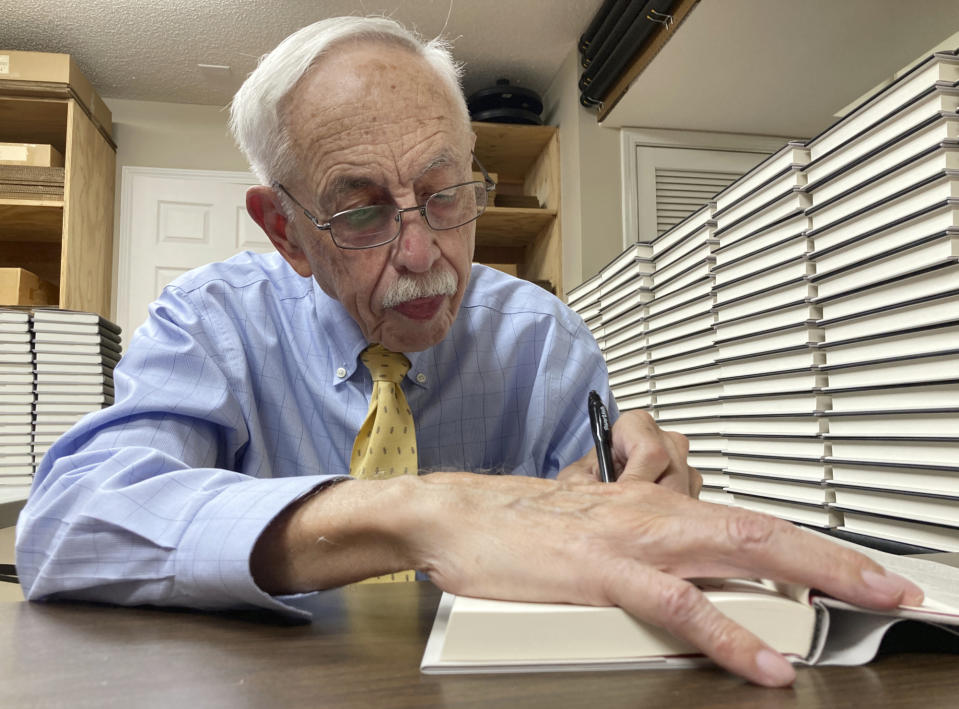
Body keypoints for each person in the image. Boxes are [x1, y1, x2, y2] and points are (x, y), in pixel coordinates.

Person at [16, 16, 921, 688]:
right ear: (286, 232)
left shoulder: (542, 340)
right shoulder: (211, 320)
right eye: (362, 209)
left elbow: (598, 530)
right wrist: (414, 512)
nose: (425, 255)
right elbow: (66, 526)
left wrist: (632, 491)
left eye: (446, 192)